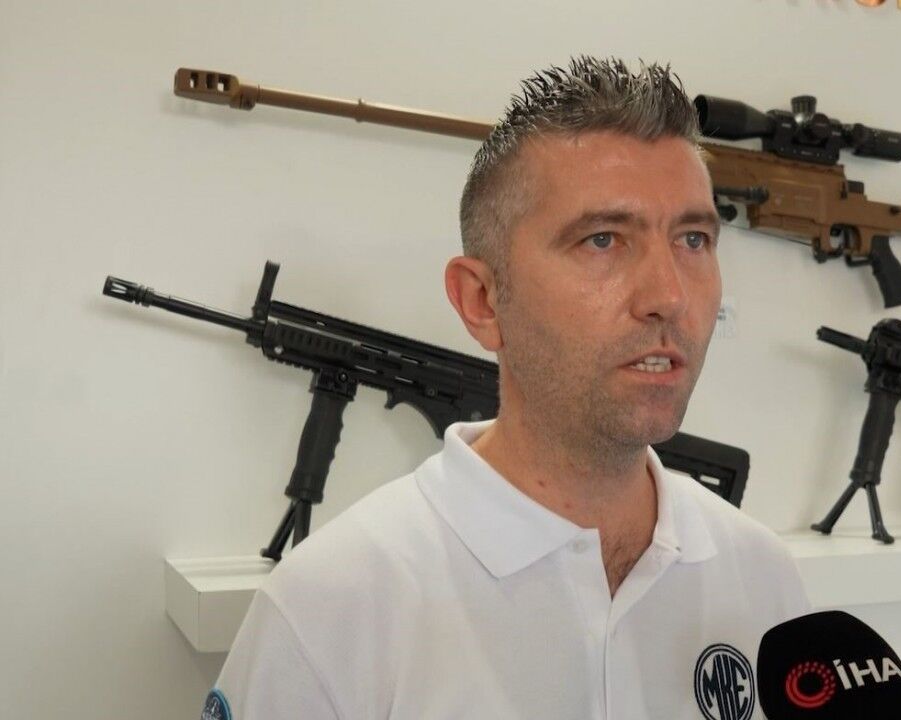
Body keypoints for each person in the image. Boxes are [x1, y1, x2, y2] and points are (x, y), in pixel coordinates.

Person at [205, 56, 809, 720]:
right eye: (602, 240)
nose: (669, 296)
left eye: (693, 239)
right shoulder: (327, 610)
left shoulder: (763, 577)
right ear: (482, 300)